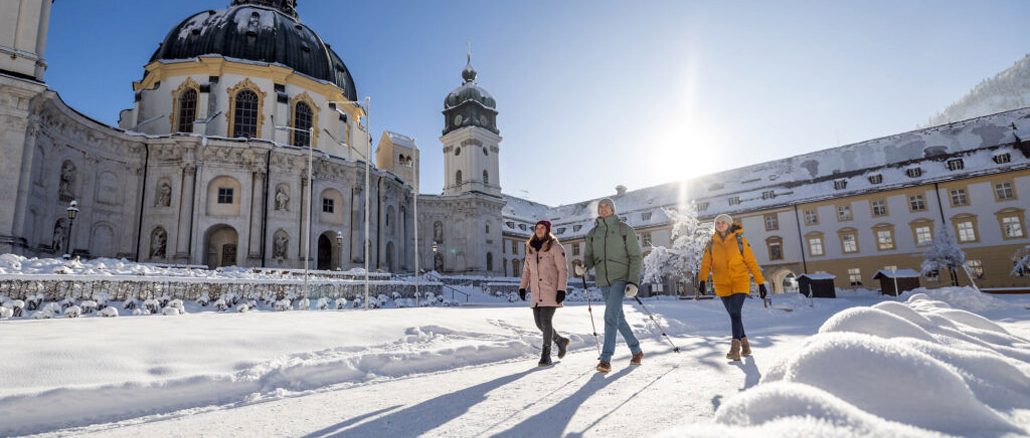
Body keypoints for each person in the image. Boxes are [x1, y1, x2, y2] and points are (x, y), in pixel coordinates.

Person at [574, 198, 643, 373]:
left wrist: (633, 281)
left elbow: (636, 257)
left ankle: (605, 359)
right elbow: (589, 257)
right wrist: (584, 267)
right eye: (600, 207)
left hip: (621, 277)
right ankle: (636, 350)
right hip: (603, 279)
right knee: (618, 318)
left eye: (607, 207)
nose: (603, 209)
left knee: (610, 316)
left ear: (613, 210)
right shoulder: (592, 233)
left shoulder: (624, 230)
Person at [697, 213, 767, 361]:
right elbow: (705, 264)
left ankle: (735, 349)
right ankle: (746, 345)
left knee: (735, 313)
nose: (720, 224)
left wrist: (761, 283)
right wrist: (702, 280)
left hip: (739, 281)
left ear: (729, 224)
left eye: (723, 222)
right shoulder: (711, 243)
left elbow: (751, 262)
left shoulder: (740, 240)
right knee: (734, 315)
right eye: (717, 223)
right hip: (721, 284)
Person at [519, 220, 571, 366]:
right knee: (539, 323)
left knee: (546, 321)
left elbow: (563, 270)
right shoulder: (530, 248)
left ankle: (546, 355)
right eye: (537, 228)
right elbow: (526, 270)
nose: (539, 230)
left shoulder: (555, 247)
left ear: (547, 230)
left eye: (542, 228)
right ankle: (560, 341)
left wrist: (561, 289)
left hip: (551, 290)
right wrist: (523, 287)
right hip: (536, 292)